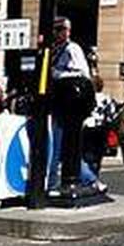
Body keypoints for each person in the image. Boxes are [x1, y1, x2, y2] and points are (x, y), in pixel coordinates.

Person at [48, 17, 97, 194]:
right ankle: (88, 178)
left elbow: (81, 73)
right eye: (55, 29)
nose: (58, 32)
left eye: (61, 29)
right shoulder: (54, 50)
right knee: (62, 146)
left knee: (64, 144)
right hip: (58, 101)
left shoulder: (72, 49)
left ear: (68, 31)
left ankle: (58, 182)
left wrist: (56, 73)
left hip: (70, 103)